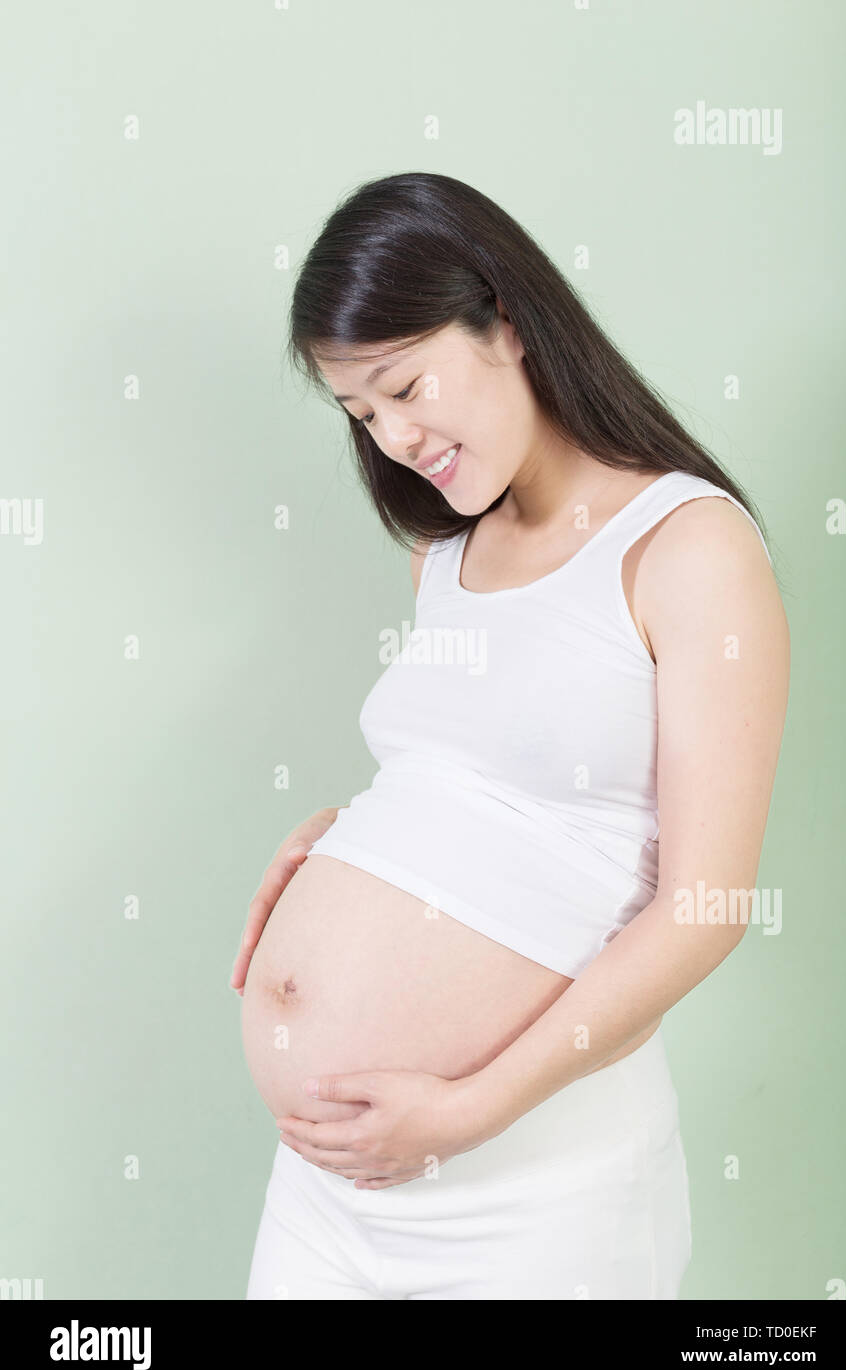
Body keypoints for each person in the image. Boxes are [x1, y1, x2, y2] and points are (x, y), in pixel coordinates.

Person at [232, 172, 790, 1300]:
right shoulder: (440, 557)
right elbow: (479, 777)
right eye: (360, 413)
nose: (393, 438)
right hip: (331, 1190)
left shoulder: (683, 548)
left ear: (508, 322)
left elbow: (705, 905)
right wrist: (346, 842)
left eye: (402, 385)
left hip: (534, 1185)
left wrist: (461, 1111)